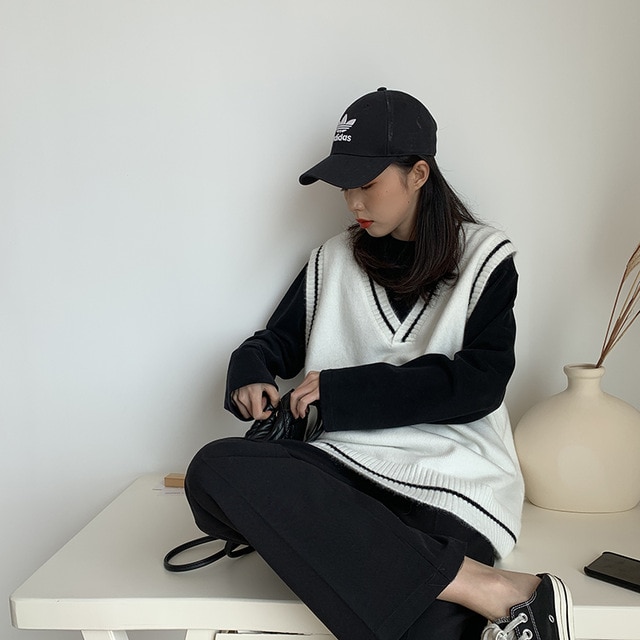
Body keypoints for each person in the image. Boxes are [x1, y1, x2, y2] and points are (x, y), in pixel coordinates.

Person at [185, 88, 574, 640]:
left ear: (419, 174)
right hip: (346, 470)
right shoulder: (333, 260)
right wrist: (250, 371)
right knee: (213, 470)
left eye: (366, 184)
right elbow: (274, 343)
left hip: (451, 479)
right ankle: (497, 590)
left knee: (413, 611)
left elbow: (480, 384)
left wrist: (341, 392)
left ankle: (454, 586)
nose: (353, 203)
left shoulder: (485, 258)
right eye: (344, 186)